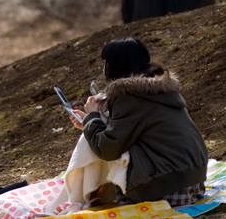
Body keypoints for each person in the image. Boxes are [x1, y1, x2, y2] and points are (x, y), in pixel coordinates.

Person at [70, 37, 208, 207]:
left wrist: (92, 117)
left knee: (103, 150)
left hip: (166, 187)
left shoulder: (129, 96)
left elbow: (107, 149)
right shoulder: (160, 88)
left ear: (112, 65)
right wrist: (87, 123)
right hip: (194, 180)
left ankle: (81, 198)